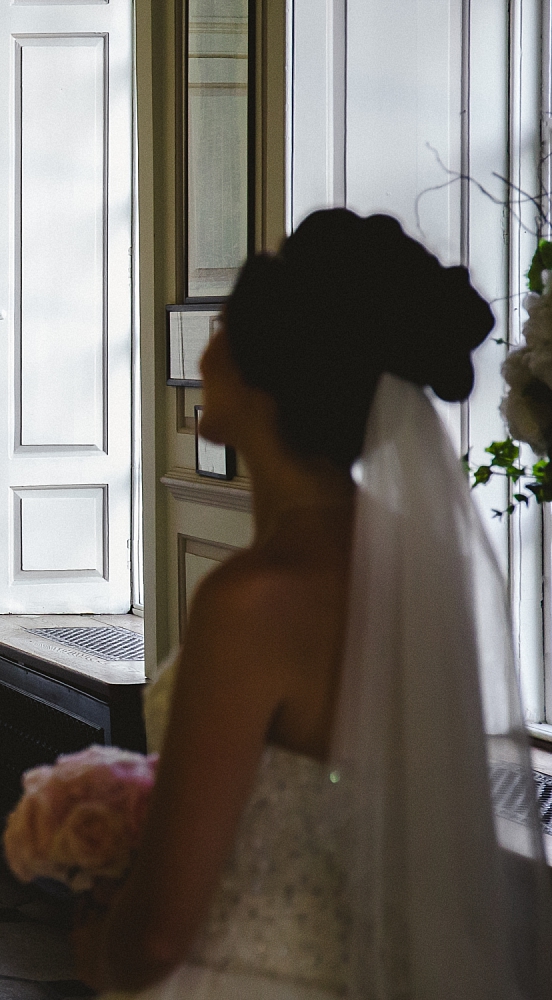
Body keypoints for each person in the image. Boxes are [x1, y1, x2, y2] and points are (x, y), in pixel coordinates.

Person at [73, 209, 552, 997]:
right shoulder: (414, 567)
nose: (207, 349)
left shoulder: (253, 600)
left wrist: (103, 947)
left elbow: (159, 932)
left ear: (271, 367)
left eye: (226, 325)